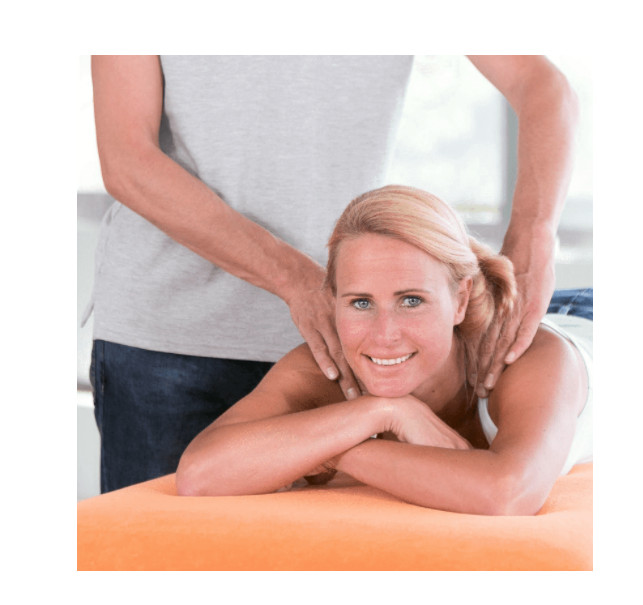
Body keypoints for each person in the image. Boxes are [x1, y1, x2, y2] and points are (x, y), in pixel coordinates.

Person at [87, 55, 579, 493]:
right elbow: (128, 160)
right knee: (161, 552)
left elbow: (541, 84)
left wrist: (534, 238)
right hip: (174, 334)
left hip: (355, 339)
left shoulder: (408, 337)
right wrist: (295, 279)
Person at [175, 185, 592, 515]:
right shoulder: (331, 364)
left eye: (411, 300)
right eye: (361, 302)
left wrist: (334, 450)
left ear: (460, 300)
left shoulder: (525, 358)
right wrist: (383, 412)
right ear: (332, 300)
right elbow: (199, 474)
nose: (383, 335)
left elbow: (507, 494)